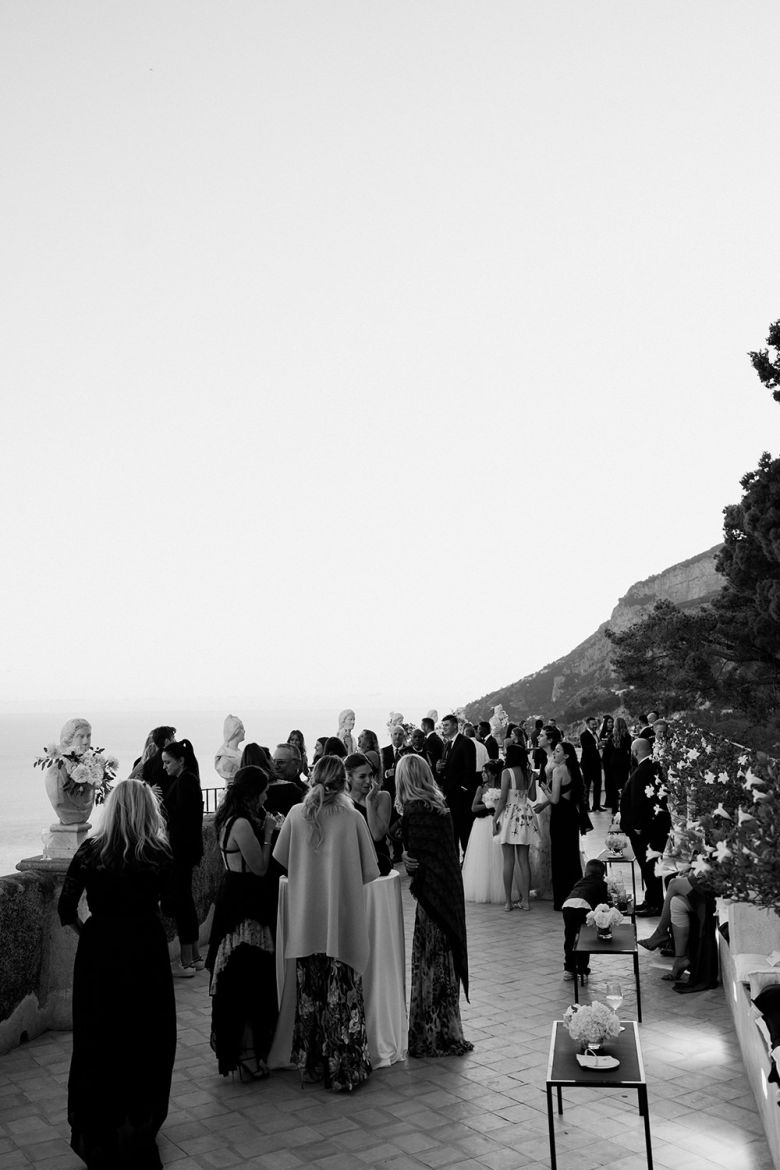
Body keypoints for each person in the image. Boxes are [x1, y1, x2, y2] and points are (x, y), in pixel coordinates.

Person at [58, 779, 175, 1169]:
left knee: (99, 1036)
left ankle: (100, 1123)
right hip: (145, 949)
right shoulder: (158, 853)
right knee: (146, 1036)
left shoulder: (92, 850)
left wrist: (89, 932)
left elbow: (66, 907)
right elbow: (174, 905)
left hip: (100, 950)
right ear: (149, 810)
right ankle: (138, 1120)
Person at [272, 755, 379, 1091]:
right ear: (343, 781)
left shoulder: (295, 814)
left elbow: (280, 859)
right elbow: (370, 871)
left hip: (306, 919)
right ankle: (344, 1070)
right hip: (339, 919)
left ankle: (312, 1064)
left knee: (311, 997)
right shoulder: (351, 817)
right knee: (342, 997)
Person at [206, 765, 284, 1081]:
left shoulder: (230, 818)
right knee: (246, 981)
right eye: (264, 791)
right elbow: (260, 867)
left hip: (237, 897)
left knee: (245, 979)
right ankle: (248, 1056)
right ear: (253, 793)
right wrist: (267, 833)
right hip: (243, 903)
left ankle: (251, 1054)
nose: (267, 795)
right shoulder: (239, 824)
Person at [396, 754, 473, 1058]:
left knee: (429, 963)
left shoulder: (414, 812)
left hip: (431, 896)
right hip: (449, 891)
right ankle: (448, 1029)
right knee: (445, 962)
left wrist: (405, 858)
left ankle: (429, 1034)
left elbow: (415, 862)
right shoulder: (441, 808)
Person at [160, 741, 205, 975]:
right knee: (185, 902)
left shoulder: (186, 781)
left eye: (168, 762)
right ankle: (194, 956)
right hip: (185, 850)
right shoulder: (188, 779)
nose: (165, 767)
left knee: (182, 903)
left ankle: (187, 960)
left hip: (180, 851)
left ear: (181, 760)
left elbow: (182, 818)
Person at [620, 738, 671, 916]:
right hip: (653, 827)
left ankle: (656, 904)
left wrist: (637, 826)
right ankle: (651, 899)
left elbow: (641, 801)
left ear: (635, 752)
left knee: (650, 867)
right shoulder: (652, 766)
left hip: (647, 830)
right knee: (649, 867)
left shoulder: (645, 769)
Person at [534, 735, 583, 911]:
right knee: (571, 856)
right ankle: (577, 895)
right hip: (572, 815)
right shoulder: (574, 769)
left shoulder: (558, 771)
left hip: (560, 817)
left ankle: (562, 898)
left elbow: (554, 800)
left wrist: (545, 789)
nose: (554, 753)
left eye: (558, 751)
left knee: (560, 857)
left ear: (566, 755)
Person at [493, 744, 537, 912]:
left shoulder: (507, 773)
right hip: (525, 815)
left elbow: (503, 799)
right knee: (524, 861)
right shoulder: (530, 774)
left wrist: (494, 819)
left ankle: (508, 902)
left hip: (510, 815)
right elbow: (532, 797)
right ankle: (526, 901)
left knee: (508, 860)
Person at [461, 760, 506, 904]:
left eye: (486, 772)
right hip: (482, 823)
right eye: (483, 772)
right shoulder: (481, 788)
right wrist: (488, 804)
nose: (483, 775)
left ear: (494, 774)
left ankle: (498, 887)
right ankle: (482, 887)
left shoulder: (502, 787)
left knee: (498, 855)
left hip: (497, 821)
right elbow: (473, 808)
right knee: (483, 855)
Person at [561, 859, 609, 983]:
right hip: (584, 907)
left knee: (570, 937)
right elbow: (603, 905)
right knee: (585, 939)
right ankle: (582, 970)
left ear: (586, 872)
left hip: (568, 906)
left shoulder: (579, 882)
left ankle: (568, 969)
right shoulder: (602, 884)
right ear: (603, 875)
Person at [345, 751, 393, 874]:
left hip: (381, 864)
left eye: (370, 775)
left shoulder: (383, 797)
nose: (368, 781)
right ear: (348, 777)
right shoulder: (344, 802)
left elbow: (377, 835)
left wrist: (369, 802)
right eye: (362, 776)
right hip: (354, 865)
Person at [437, 713, 477, 854]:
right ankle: (454, 864)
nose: (444, 728)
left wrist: (462, 790)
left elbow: (469, 770)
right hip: (449, 797)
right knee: (452, 834)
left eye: (447, 725)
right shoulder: (447, 744)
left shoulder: (466, 743)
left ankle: (468, 864)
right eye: (443, 726)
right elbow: (447, 768)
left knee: (465, 834)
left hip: (462, 799)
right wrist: (439, 769)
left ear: (455, 725)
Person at [605, 717, 633, 814]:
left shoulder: (611, 737)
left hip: (613, 763)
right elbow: (629, 752)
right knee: (624, 785)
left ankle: (614, 808)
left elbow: (607, 753)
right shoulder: (628, 737)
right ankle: (624, 807)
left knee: (614, 786)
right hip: (624, 763)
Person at [141, 726, 177, 798]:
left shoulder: (149, 763)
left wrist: (150, 789)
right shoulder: (177, 759)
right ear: (167, 741)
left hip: (157, 803)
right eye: (173, 737)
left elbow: (143, 782)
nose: (175, 740)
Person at [579, 717, 602, 812]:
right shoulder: (584, 735)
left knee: (598, 784)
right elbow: (586, 747)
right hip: (587, 764)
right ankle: (586, 806)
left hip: (596, 763)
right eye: (593, 724)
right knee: (586, 786)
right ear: (588, 724)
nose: (595, 726)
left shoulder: (596, 734)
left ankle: (596, 805)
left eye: (595, 724)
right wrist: (597, 745)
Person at [214, 714, 245, 784]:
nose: (244, 731)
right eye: (242, 729)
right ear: (236, 731)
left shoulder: (238, 752)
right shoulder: (225, 756)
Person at [596, 716, 615, 812]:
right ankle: (608, 800)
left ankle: (613, 800)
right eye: (608, 722)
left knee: (613, 780)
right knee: (607, 780)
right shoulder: (602, 733)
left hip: (613, 759)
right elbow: (599, 746)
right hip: (605, 758)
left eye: (611, 722)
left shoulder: (615, 733)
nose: (610, 724)